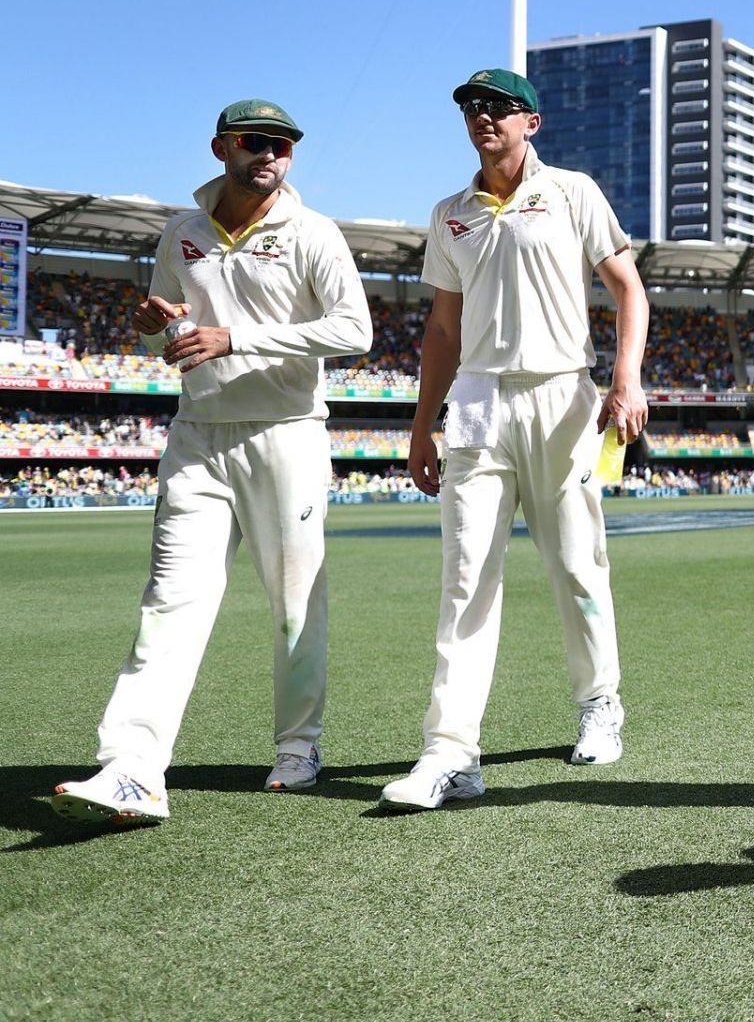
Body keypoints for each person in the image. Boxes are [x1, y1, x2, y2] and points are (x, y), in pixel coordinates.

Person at [51, 100, 371, 826]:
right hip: (197, 434)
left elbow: (355, 327)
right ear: (222, 146)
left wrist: (237, 339)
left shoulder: (313, 232)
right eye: (258, 142)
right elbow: (169, 325)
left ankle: (299, 746)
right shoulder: (183, 232)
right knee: (169, 602)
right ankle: (133, 768)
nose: (273, 155)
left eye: (286, 145)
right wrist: (148, 326)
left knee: (294, 607)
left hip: (285, 433)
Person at [381, 69, 649, 812]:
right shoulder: (450, 213)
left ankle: (601, 704)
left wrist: (624, 380)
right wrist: (420, 423)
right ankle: (451, 753)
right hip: (475, 399)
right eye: (472, 108)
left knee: (575, 564)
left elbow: (629, 288)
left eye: (499, 107)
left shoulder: (571, 191)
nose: (483, 117)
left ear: (531, 121)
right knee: (465, 578)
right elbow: (441, 327)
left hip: (563, 393)